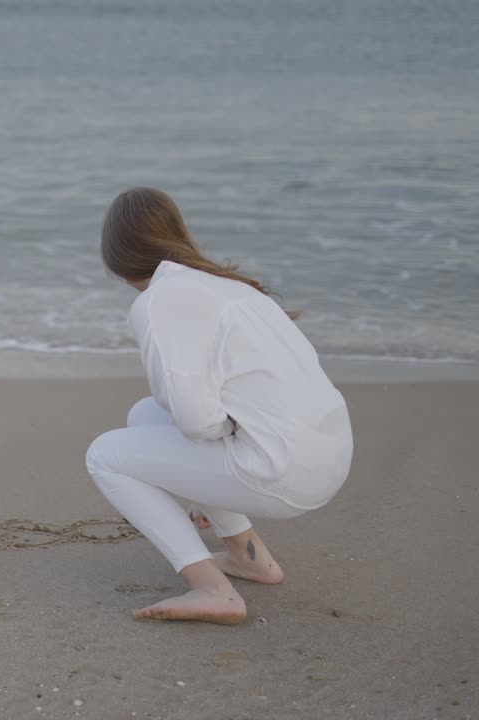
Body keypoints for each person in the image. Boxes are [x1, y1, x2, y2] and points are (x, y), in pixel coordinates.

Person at [85, 187, 353, 625]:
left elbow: (194, 421)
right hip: (328, 453)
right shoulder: (226, 286)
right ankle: (250, 557)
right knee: (143, 417)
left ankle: (212, 590)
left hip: (282, 470)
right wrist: (204, 470)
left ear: (118, 257)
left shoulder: (157, 301)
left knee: (105, 456)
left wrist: (203, 472)